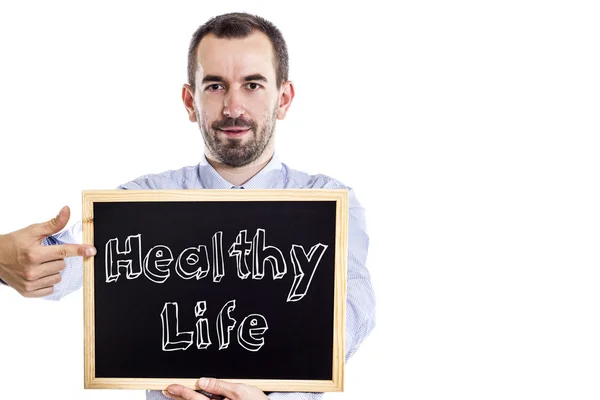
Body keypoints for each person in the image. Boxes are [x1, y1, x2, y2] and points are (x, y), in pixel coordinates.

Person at [0, 12, 375, 400]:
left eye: (252, 85)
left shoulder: (332, 203)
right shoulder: (141, 202)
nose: (233, 107)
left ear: (283, 99)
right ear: (190, 101)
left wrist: (274, 395)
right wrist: (5, 258)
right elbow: (75, 258)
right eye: (215, 86)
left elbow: (355, 305)